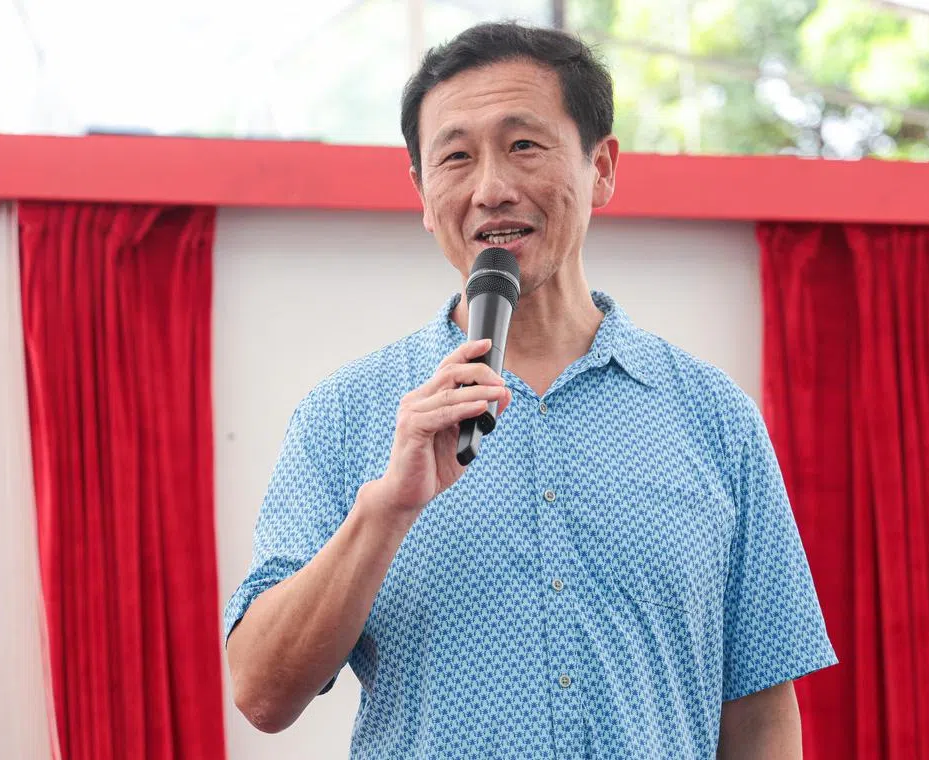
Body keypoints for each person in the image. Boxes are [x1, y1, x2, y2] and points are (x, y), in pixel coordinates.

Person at [225, 21, 837, 759]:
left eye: (523, 145)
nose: (491, 189)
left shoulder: (713, 417)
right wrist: (386, 512)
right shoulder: (345, 415)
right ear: (424, 195)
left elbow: (761, 710)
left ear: (601, 167)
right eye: (456, 156)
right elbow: (261, 693)